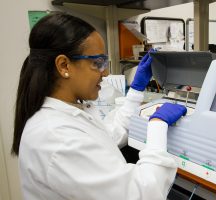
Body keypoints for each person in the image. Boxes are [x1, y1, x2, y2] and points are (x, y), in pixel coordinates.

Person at [11, 12, 187, 200]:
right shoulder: (57, 139)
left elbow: (109, 136)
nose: (105, 73)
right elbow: (142, 193)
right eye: (97, 63)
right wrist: (157, 125)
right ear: (64, 66)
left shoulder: (65, 114)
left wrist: (135, 91)